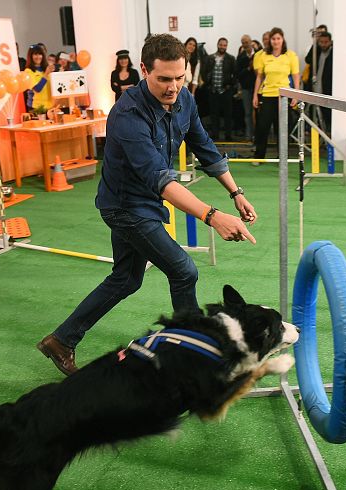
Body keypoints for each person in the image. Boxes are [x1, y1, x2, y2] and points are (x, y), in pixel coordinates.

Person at [37, 33, 258, 375]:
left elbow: (204, 146)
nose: (174, 87)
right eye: (164, 79)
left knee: (126, 279)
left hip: (146, 202)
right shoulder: (127, 115)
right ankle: (189, 356)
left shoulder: (184, 98)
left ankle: (62, 340)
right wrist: (213, 216)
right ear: (144, 70)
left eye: (180, 77)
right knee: (184, 271)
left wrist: (235, 192)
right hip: (125, 207)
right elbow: (163, 182)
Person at [252, 27, 300, 163]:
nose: (276, 41)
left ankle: (283, 157)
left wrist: (296, 95)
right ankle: (259, 157)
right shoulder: (264, 56)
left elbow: (296, 76)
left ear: (283, 40)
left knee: (283, 127)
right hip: (267, 95)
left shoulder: (291, 55)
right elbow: (259, 77)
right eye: (273, 39)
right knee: (263, 127)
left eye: (278, 38)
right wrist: (255, 95)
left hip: (284, 96)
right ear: (270, 40)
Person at [200, 37, 236, 140]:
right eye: (221, 45)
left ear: (227, 46)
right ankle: (215, 134)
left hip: (226, 91)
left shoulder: (231, 58)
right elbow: (203, 72)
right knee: (214, 114)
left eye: (224, 45)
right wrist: (208, 84)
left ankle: (228, 135)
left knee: (228, 114)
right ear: (217, 45)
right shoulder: (210, 58)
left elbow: (235, 74)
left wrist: (230, 85)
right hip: (213, 90)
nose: (222, 47)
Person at [304, 30, 334, 131]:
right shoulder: (316, 51)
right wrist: (315, 44)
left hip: (327, 89)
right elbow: (308, 59)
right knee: (313, 113)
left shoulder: (333, 53)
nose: (323, 44)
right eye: (321, 42)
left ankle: (327, 133)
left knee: (327, 114)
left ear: (330, 42)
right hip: (315, 88)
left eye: (326, 42)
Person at [235, 34, 256, 141]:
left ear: (251, 42)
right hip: (246, 88)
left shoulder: (258, 54)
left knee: (258, 113)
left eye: (247, 42)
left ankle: (258, 136)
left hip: (258, 88)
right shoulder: (240, 57)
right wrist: (248, 68)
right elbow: (237, 74)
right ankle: (249, 135)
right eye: (243, 43)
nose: (245, 44)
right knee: (247, 113)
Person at [24, 44, 56, 111]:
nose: (38, 57)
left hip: (51, 106)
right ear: (31, 56)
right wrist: (46, 74)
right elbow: (37, 89)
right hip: (37, 107)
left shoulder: (46, 68)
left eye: (40, 54)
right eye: (35, 54)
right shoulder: (28, 71)